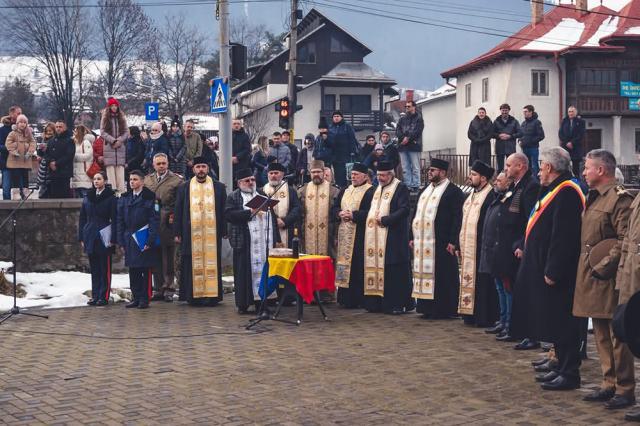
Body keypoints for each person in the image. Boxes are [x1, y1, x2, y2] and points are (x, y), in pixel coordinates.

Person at [511, 147, 585, 391]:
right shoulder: (554, 189)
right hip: (544, 268)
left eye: (541, 166)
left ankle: (569, 372)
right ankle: (560, 365)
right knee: (555, 321)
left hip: (558, 273)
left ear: (551, 168)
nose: (539, 170)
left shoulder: (568, 192)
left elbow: (563, 237)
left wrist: (553, 270)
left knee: (564, 323)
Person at [573, 149, 636, 408]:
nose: (584, 172)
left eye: (588, 168)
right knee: (599, 332)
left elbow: (624, 240)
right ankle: (608, 382)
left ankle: (625, 388)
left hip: (609, 276)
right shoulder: (593, 198)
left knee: (616, 336)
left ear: (601, 170)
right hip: (592, 275)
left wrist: (604, 266)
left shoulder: (619, 199)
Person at [411, 158, 464, 319]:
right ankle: (426, 308)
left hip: (442, 242)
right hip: (422, 242)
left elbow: (458, 217)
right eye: (429, 170)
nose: (429, 173)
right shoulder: (424, 190)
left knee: (444, 276)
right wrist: (411, 236)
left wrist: (453, 241)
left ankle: (445, 309)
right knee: (425, 274)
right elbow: (415, 215)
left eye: (432, 170)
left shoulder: (453, 191)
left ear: (442, 172)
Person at [497, 152, 541, 343]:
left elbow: (529, 220)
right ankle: (512, 326)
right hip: (508, 245)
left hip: (518, 248)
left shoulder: (530, 187)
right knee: (507, 287)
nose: (506, 169)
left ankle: (523, 331)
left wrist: (523, 244)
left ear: (521, 166)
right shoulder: (516, 186)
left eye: (509, 165)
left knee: (518, 290)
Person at [225, 168, 280, 314]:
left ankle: (262, 302)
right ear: (239, 183)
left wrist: (277, 239)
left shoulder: (261, 194)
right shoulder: (234, 197)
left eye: (252, 180)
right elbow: (229, 215)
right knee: (244, 273)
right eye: (247, 180)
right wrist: (249, 212)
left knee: (264, 272)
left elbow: (272, 217)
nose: (251, 183)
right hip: (245, 242)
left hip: (263, 244)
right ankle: (243, 304)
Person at [174, 157, 226, 306]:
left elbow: (223, 210)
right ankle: (193, 296)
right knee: (191, 262)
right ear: (193, 169)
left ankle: (212, 296)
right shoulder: (185, 187)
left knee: (212, 262)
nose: (201, 170)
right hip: (191, 233)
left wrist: (224, 230)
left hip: (212, 233)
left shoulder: (218, 187)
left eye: (203, 166)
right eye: (198, 167)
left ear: (208, 169)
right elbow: (178, 210)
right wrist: (177, 231)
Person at [363, 161, 413, 314]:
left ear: (391, 174)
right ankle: (376, 303)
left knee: (394, 271)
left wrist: (386, 220)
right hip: (375, 237)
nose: (380, 178)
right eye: (378, 175)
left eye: (383, 175)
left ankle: (397, 304)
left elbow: (405, 210)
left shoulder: (400, 188)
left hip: (394, 237)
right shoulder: (376, 189)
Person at [457, 160, 498, 327]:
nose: (470, 177)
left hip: (481, 247)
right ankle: (469, 314)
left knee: (483, 282)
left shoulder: (490, 195)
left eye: (474, 175)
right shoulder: (472, 195)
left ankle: (484, 316)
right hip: (467, 246)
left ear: (483, 178)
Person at [616, 163, 640, 421]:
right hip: (632, 277)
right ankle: (625, 389)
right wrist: (623, 274)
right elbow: (628, 243)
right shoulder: (636, 199)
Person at [117, 170, 160, 309]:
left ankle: (144, 298)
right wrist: (121, 240)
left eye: (135, 179)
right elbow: (120, 220)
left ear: (142, 181)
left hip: (143, 236)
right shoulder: (125, 198)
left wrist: (150, 240)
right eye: (130, 179)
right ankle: (136, 297)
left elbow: (154, 220)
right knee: (133, 270)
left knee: (144, 269)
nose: (132, 182)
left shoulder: (150, 197)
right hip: (129, 236)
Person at [333, 163, 374, 308]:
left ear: (364, 176)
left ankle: (358, 299)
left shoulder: (371, 191)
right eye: (352, 174)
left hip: (361, 234)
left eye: (356, 174)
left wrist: (353, 215)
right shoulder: (345, 189)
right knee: (344, 265)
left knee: (357, 266)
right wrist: (340, 213)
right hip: (345, 232)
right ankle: (345, 299)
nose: (353, 176)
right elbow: (335, 207)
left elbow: (371, 211)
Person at [478, 172, 514, 335]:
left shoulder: (510, 198)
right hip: (492, 250)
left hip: (503, 250)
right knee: (499, 287)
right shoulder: (498, 197)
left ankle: (509, 322)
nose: (495, 183)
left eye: (499, 180)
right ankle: (503, 319)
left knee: (507, 288)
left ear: (508, 182)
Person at [144, 153, 183, 303]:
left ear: (168, 164)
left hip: (168, 220)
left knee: (169, 256)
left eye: (163, 163)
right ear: (153, 165)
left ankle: (169, 288)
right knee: (155, 256)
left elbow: (180, 203)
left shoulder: (176, 180)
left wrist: (174, 218)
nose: (161, 166)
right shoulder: (148, 179)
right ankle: (158, 288)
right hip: (152, 220)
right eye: (158, 163)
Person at [79, 171, 117, 306]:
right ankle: (95, 295)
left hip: (104, 234)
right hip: (90, 234)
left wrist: (114, 238)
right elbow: (82, 217)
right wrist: (81, 237)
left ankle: (104, 295)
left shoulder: (111, 197)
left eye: (99, 179)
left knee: (104, 267)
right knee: (94, 268)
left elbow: (115, 218)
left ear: (105, 181)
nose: (96, 181)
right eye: (94, 179)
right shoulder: (88, 196)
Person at [298, 160, 340, 257]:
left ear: (323, 172)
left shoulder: (334, 190)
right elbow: (299, 215)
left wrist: (336, 235)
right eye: (313, 172)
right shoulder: (302, 190)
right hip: (307, 235)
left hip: (328, 235)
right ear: (310, 173)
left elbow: (337, 215)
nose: (316, 174)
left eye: (318, 172)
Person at [262, 162, 301, 247]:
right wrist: (274, 220)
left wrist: (285, 221)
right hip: (267, 228)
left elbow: (297, 208)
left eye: (276, 173)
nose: (273, 175)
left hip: (286, 227)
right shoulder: (262, 190)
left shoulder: (290, 190)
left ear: (282, 174)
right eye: (271, 173)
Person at [100, 97, 129, 193]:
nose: (114, 107)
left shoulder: (122, 118)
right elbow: (103, 132)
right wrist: (113, 141)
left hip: (120, 148)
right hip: (109, 147)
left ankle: (121, 193)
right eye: (112, 105)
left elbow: (126, 132)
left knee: (120, 173)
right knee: (111, 174)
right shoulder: (105, 118)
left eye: (115, 105)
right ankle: (112, 194)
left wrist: (119, 141)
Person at [396, 101, 424, 192]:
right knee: (405, 167)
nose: (407, 108)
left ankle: (416, 185)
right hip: (403, 146)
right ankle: (408, 185)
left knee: (415, 167)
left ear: (414, 107)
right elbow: (397, 130)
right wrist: (402, 138)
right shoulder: (402, 119)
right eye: (406, 106)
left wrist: (408, 138)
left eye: (409, 106)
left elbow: (418, 131)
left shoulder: (419, 119)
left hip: (414, 145)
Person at [5, 114, 35, 199]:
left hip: (25, 159)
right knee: (16, 176)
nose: (22, 124)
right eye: (21, 122)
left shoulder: (29, 133)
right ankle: (16, 193)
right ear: (17, 124)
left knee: (25, 176)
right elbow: (8, 143)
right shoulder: (12, 133)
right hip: (15, 159)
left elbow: (33, 143)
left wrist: (30, 151)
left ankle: (26, 192)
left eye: (24, 122)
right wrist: (14, 149)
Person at [329, 111, 359, 188]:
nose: (336, 118)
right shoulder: (330, 127)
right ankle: (337, 188)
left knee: (344, 174)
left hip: (345, 154)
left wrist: (352, 151)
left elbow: (352, 139)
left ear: (341, 117)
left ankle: (344, 188)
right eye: (334, 116)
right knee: (335, 174)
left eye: (338, 116)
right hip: (334, 155)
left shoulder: (347, 126)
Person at [47, 121, 75, 199]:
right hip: (53, 172)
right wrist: (50, 162)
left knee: (64, 195)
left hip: (64, 172)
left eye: (60, 127)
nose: (58, 128)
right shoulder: (51, 140)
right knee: (53, 195)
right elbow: (47, 154)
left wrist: (56, 163)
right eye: (57, 127)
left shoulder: (69, 140)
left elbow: (69, 155)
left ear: (65, 128)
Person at [492, 103, 522, 173]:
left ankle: (511, 182)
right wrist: (498, 136)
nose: (504, 112)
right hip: (500, 147)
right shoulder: (496, 121)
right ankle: (500, 182)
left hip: (510, 148)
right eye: (503, 110)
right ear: (500, 111)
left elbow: (521, 133)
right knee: (500, 167)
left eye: (506, 110)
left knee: (511, 166)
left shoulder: (514, 121)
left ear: (509, 111)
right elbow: (491, 133)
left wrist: (510, 136)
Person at [558, 106, 586, 179]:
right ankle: (565, 178)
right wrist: (567, 143)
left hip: (575, 146)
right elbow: (560, 133)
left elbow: (581, 134)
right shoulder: (564, 121)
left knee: (575, 165)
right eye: (569, 112)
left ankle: (576, 179)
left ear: (575, 112)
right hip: (565, 146)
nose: (570, 113)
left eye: (572, 111)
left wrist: (572, 143)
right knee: (565, 163)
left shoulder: (581, 122)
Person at [519, 105, 545, 176]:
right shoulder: (523, 123)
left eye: (526, 111)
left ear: (531, 112)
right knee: (526, 166)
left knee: (534, 166)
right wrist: (519, 140)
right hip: (524, 148)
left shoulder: (537, 122)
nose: (524, 113)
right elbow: (520, 134)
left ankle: (536, 182)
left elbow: (541, 136)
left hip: (533, 148)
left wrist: (530, 141)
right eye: (523, 112)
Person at [70, 125, 94, 199]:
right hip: (77, 174)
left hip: (84, 174)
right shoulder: (75, 142)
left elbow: (88, 155)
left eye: (76, 131)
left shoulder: (86, 142)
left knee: (84, 196)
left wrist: (73, 156)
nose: (74, 133)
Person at [36, 122, 56, 198]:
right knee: (43, 185)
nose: (48, 132)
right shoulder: (43, 140)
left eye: (50, 131)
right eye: (47, 131)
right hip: (43, 166)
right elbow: (39, 153)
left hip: (50, 165)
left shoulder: (54, 141)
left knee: (49, 185)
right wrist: (39, 152)